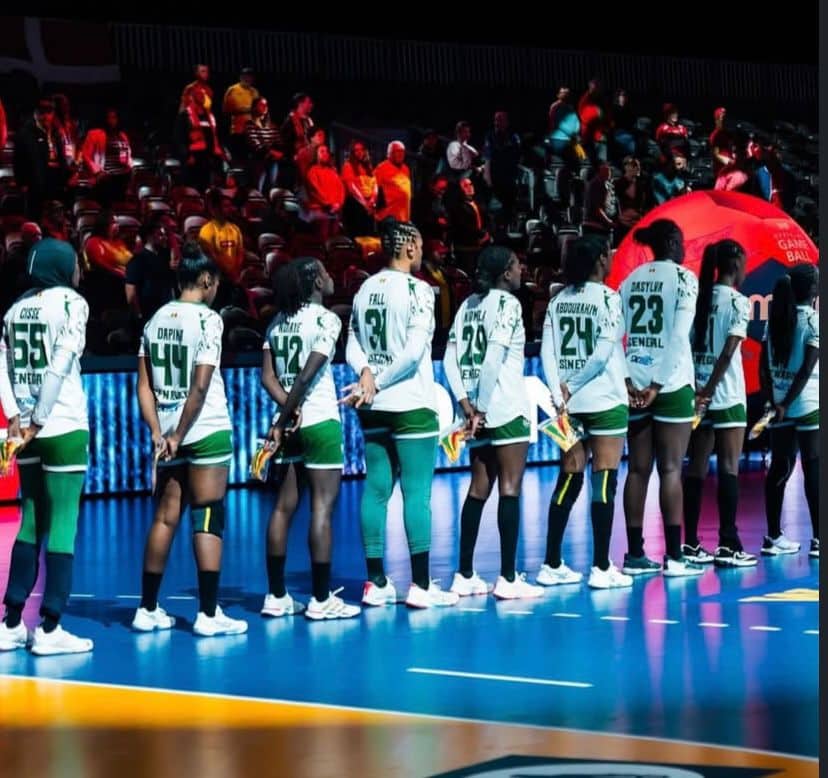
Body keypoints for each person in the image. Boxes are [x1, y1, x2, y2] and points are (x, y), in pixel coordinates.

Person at [132, 242, 247, 636]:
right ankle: (209, 615)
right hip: (204, 428)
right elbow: (200, 387)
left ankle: (147, 609)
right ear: (206, 280)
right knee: (208, 516)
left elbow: (143, 386)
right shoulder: (208, 320)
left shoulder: (153, 321)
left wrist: (159, 433)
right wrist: (181, 434)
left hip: (166, 432)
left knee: (165, 517)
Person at [343, 218, 459, 609]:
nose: (423, 254)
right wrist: (377, 380)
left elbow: (352, 344)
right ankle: (421, 586)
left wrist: (366, 376)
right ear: (409, 247)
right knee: (416, 493)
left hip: (373, 406)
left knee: (376, 490)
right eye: (421, 247)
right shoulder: (419, 290)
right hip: (410, 403)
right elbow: (412, 354)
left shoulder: (364, 288)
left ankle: (376, 583)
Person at [0, 238, 93, 655]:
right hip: (62, 423)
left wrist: (15, 418)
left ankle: (11, 622)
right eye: (75, 264)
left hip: (25, 430)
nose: (79, 271)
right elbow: (59, 365)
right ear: (61, 267)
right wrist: (40, 417)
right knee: (63, 523)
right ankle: (51, 627)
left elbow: (0, 365)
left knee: (31, 520)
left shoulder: (15, 308)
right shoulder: (73, 304)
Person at [260, 258, 361, 620]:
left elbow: (267, 378)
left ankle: (276, 596)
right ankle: (320, 599)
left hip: (288, 424)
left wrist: (285, 414)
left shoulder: (277, 321)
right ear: (317, 281)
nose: (331, 276)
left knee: (283, 508)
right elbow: (306, 375)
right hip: (318, 421)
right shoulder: (327, 319)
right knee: (321, 509)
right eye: (326, 272)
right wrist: (294, 408)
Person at [443, 246, 543, 599]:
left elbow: (450, 360)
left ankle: (464, 574)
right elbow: (493, 358)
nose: (521, 269)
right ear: (505, 273)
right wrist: (482, 409)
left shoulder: (467, 305)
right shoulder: (508, 305)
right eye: (517, 264)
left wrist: (466, 406)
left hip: (474, 410)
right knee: (509, 489)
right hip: (504, 408)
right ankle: (508, 578)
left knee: (478, 488)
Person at [539, 236, 633, 589]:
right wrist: (574, 384)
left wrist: (558, 391)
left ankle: (551, 563)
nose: (611, 259)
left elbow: (547, 352)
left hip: (569, 405)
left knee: (569, 476)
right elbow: (602, 352)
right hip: (604, 400)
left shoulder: (557, 300)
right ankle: (601, 567)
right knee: (604, 478)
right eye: (608, 254)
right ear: (599, 261)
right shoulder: (610, 298)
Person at [619, 219, 703, 577]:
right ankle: (674, 557)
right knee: (670, 469)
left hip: (634, 385)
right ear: (671, 242)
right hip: (670, 384)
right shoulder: (685, 279)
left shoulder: (630, 280)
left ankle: (635, 555)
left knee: (637, 470)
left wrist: (628, 379)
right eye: (681, 241)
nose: (684, 249)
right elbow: (679, 338)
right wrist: (656, 385)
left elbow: (615, 336)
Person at [683, 240, 757, 567]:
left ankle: (690, 543)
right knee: (729, 467)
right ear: (736, 263)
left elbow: (686, 347)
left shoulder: (699, 298)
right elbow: (727, 354)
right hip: (725, 395)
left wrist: (699, 391)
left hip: (697, 394)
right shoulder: (738, 302)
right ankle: (728, 543)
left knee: (696, 467)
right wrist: (710, 390)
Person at [760, 263, 819, 558]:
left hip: (779, 405)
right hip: (807, 405)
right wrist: (787, 402)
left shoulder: (775, 319)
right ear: (812, 288)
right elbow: (807, 369)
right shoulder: (814, 322)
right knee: (813, 467)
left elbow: (763, 367)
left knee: (779, 468)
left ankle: (773, 536)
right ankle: (818, 539)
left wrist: (774, 401)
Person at [125, 217, 179, 322]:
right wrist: (138, 315)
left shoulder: (166, 256)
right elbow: (131, 291)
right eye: (160, 235)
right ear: (149, 236)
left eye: (165, 235)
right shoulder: (138, 259)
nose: (165, 238)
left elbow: (172, 286)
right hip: (147, 315)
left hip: (166, 314)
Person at [80, 108, 133, 206]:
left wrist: (129, 168)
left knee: (119, 206)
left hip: (122, 177)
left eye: (114, 117)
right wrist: (98, 172)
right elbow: (86, 155)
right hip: (105, 178)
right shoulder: (94, 134)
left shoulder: (122, 135)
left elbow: (128, 155)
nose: (111, 120)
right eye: (109, 117)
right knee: (106, 206)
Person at [244, 97, 283, 193]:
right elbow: (255, 144)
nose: (265, 107)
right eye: (261, 105)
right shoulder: (249, 125)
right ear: (255, 107)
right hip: (258, 159)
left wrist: (278, 152)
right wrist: (270, 151)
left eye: (266, 105)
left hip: (272, 160)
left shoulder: (272, 126)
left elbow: (279, 142)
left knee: (272, 185)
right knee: (258, 185)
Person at [341, 140, 378, 237]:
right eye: (356, 150)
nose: (359, 152)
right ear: (352, 152)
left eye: (361, 149)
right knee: (357, 235)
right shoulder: (348, 166)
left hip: (369, 205)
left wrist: (372, 201)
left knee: (369, 234)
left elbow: (375, 184)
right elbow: (352, 188)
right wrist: (365, 204)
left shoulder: (368, 167)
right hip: (355, 205)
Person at [222, 67, 259, 162]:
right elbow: (226, 109)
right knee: (239, 160)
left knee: (253, 161)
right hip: (238, 132)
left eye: (250, 77)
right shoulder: (233, 89)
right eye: (245, 76)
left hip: (253, 132)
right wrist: (246, 109)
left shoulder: (255, 92)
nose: (248, 79)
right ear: (240, 77)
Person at [375, 141, 412, 222]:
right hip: (388, 217)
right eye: (397, 151)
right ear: (389, 153)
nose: (400, 154)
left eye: (402, 151)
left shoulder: (406, 169)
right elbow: (373, 191)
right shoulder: (381, 168)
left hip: (404, 217)